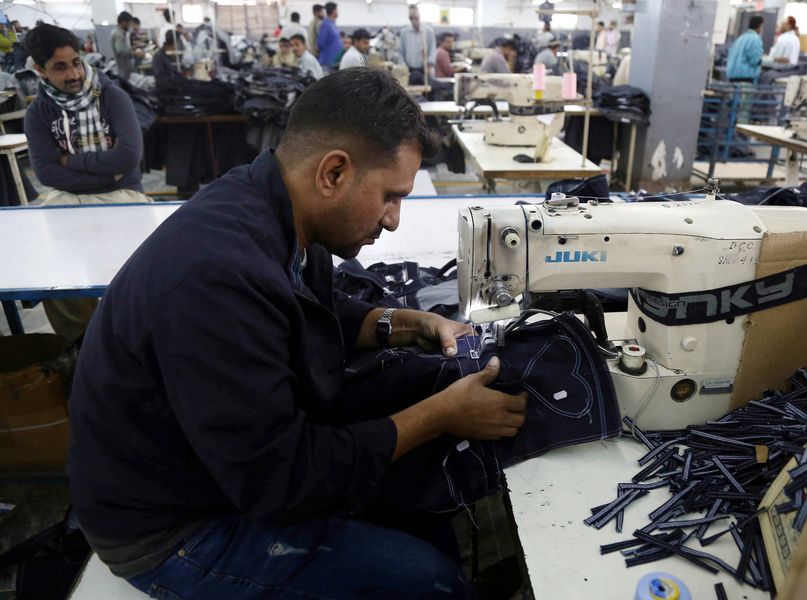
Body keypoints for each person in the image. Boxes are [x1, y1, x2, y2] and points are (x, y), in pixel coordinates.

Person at [67, 67, 526, 598]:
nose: (394, 220)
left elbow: (308, 308)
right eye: (389, 196)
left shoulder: (271, 206)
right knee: (432, 583)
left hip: (219, 469)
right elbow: (281, 480)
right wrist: (443, 414)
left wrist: (403, 323)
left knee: (419, 494)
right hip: (171, 528)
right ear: (334, 172)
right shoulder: (218, 280)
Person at [23, 24, 148, 341]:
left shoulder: (112, 97)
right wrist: (106, 172)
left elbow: (129, 157)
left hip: (123, 193)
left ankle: (135, 337)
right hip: (71, 197)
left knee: (143, 265)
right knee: (53, 267)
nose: (74, 74)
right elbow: (46, 173)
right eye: (60, 67)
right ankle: (81, 342)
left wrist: (69, 161)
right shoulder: (38, 112)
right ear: (40, 70)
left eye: (76, 62)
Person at [399, 6, 436, 85]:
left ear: (420, 16)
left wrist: (429, 64)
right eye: (411, 18)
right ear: (409, 18)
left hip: (425, 69)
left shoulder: (428, 31)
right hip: (409, 69)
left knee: (428, 87)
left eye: (416, 18)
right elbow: (401, 52)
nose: (414, 21)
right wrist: (403, 67)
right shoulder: (404, 32)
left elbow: (433, 50)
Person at [726, 15, 764, 83]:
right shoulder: (755, 39)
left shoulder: (741, 37)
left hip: (732, 76)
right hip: (745, 78)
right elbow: (755, 60)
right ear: (759, 26)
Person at [111, 11, 141, 81]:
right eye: (129, 23)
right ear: (123, 22)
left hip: (125, 67)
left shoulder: (119, 32)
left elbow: (122, 48)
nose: (130, 26)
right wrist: (134, 53)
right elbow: (120, 51)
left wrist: (132, 48)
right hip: (124, 69)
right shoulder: (118, 34)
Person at [317, 2, 342, 68]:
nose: (337, 12)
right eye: (336, 10)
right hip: (328, 61)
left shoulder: (332, 24)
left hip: (334, 61)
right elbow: (320, 43)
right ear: (333, 11)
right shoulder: (326, 24)